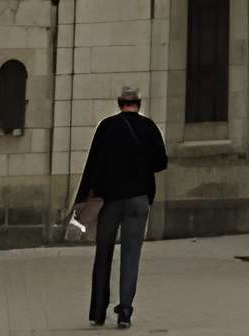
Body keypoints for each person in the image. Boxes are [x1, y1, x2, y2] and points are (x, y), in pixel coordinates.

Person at [75, 84, 167, 328]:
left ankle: (98, 310)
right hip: (138, 199)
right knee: (131, 254)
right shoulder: (149, 127)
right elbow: (161, 163)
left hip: (110, 201)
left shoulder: (107, 127)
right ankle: (125, 311)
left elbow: (92, 164)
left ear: (119, 103)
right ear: (139, 103)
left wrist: (81, 198)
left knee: (103, 252)